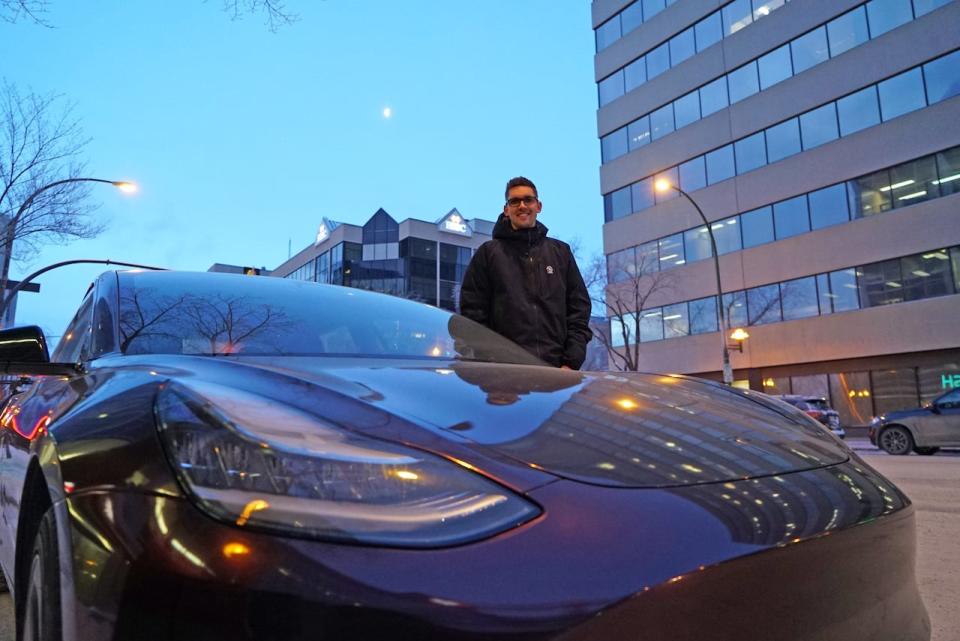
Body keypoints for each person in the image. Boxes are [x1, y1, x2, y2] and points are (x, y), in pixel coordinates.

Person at [459, 176, 592, 370]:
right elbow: (472, 314)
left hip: (557, 374)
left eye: (528, 200)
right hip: (505, 378)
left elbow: (579, 310)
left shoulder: (561, 252)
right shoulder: (488, 254)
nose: (522, 205)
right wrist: (490, 364)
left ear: (538, 206)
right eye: (514, 201)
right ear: (506, 209)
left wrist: (571, 362)